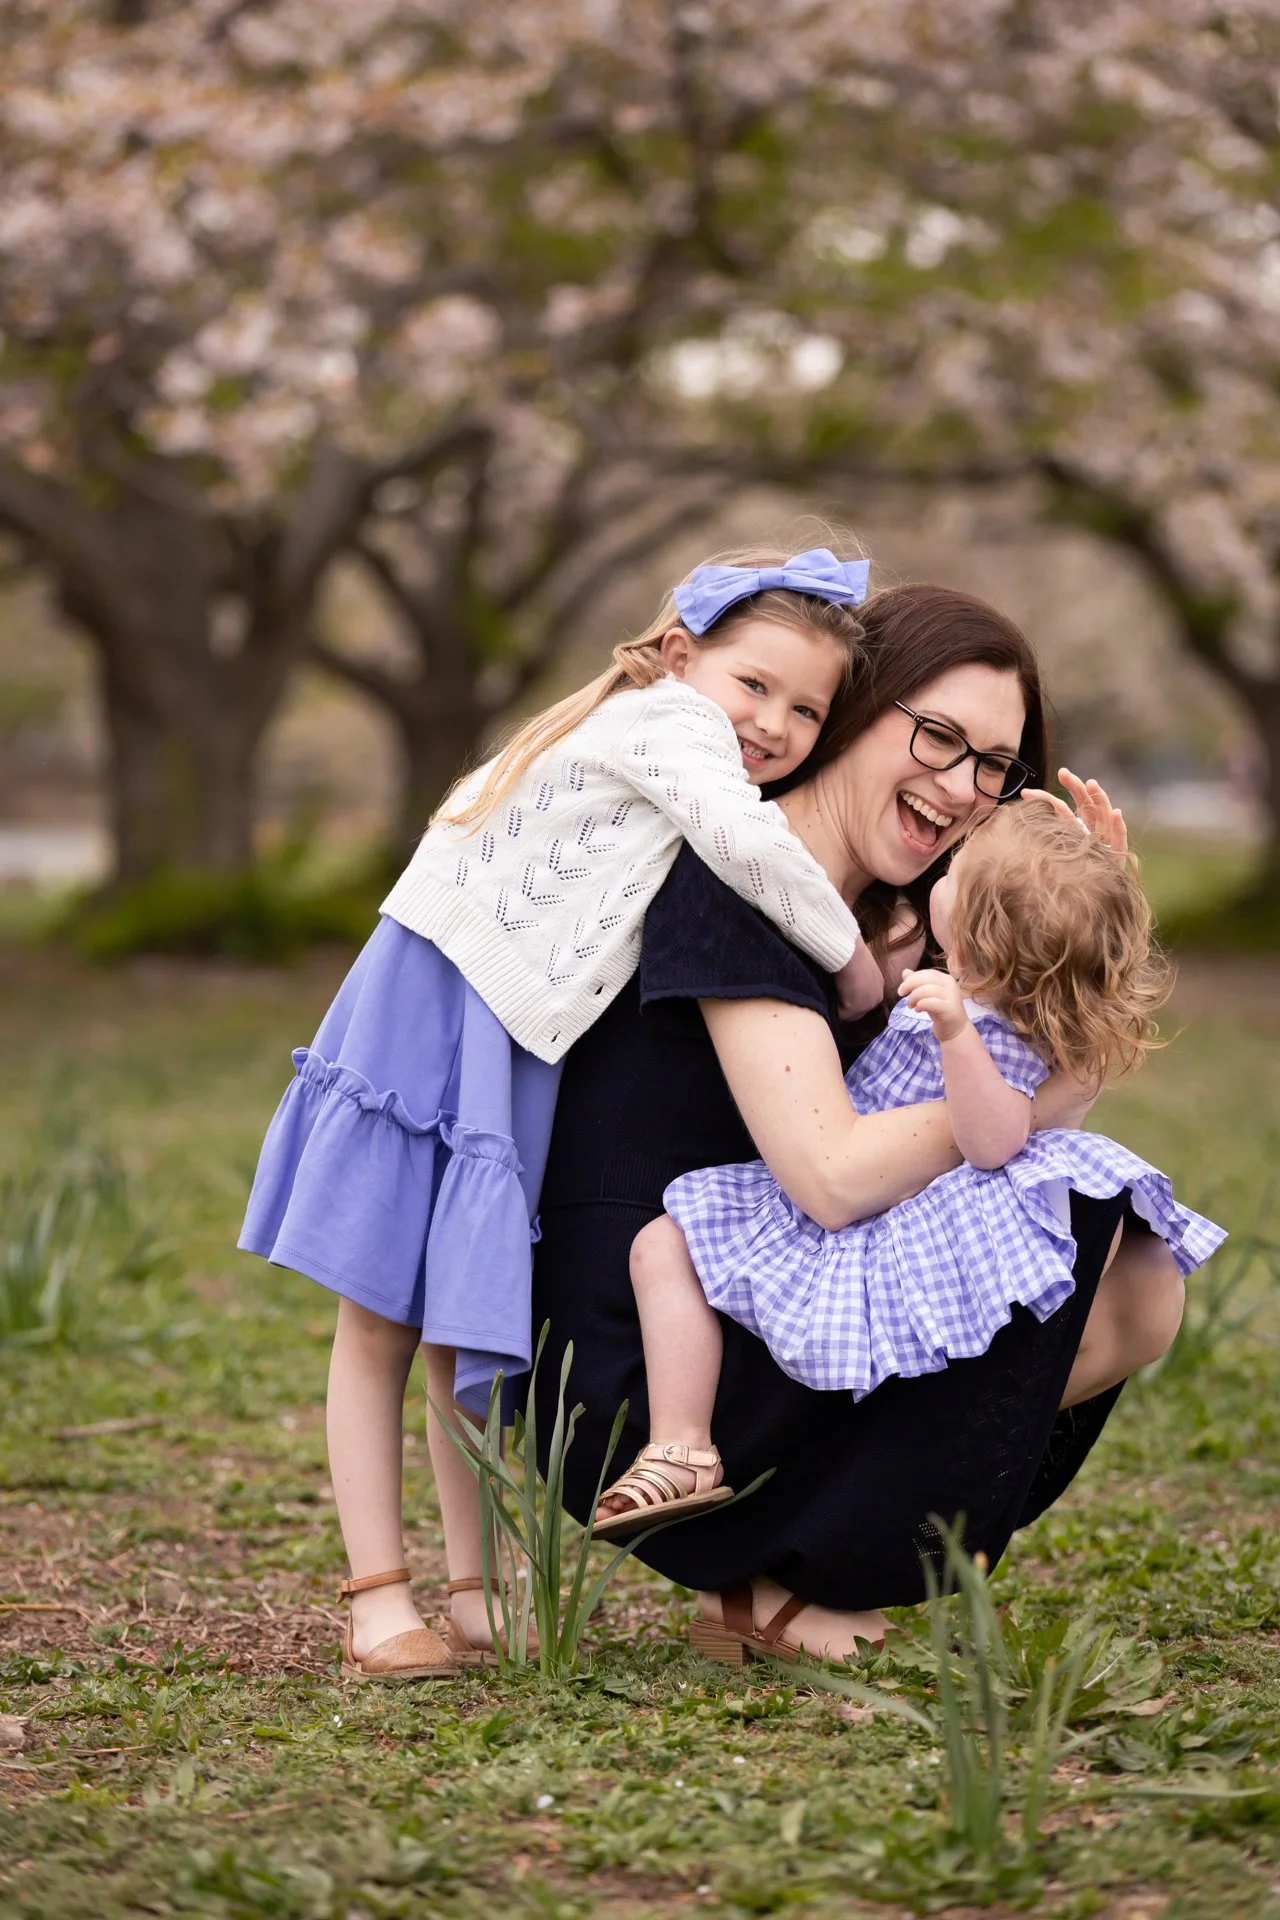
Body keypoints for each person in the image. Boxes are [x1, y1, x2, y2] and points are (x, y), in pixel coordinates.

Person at [240, 544, 889, 1681]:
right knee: (382, 1318)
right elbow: (747, 848)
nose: (775, 723)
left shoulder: (676, 733)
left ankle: (475, 1590)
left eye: (804, 708)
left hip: (510, 1031)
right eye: (754, 686)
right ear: (682, 656)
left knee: (456, 1314)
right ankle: (375, 1598)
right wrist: (851, 966)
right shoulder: (662, 727)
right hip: (437, 1005)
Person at [529, 582, 1191, 1664]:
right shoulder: (739, 875)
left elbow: (1043, 1078)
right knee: (1057, 1204)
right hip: (647, 1342)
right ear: (854, 704)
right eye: (936, 737)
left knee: (1139, 1282)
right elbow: (833, 1176)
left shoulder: (899, 918)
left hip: (784, 1285)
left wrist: (1075, 933)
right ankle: (790, 1560)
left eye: (993, 766)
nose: (961, 786)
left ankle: (789, 1574)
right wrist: (1003, 1122)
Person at [591, 795, 1226, 1539]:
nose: (948, 866)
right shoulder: (970, 979)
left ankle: (696, 1448)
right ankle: (681, 1447)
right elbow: (876, 991)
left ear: (981, 938)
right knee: (662, 1245)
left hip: (875, 1230)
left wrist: (957, 1031)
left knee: (668, 1249)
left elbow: (994, 1138)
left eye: (962, 868)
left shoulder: (994, 1025)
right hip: (831, 1202)